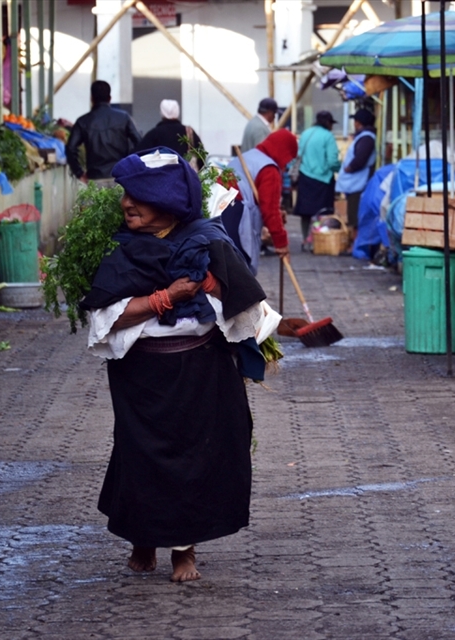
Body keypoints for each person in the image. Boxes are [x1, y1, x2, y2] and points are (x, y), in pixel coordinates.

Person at [79, 147, 275, 583]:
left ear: (169, 202)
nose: (127, 203)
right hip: (142, 376)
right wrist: (166, 298)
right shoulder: (121, 250)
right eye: (125, 195)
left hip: (202, 372)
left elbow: (248, 312)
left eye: (139, 197)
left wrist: (211, 285)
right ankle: (143, 538)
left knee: (196, 458)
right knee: (142, 455)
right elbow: (104, 318)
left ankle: (184, 551)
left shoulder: (208, 242)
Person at [223, 129, 298, 274]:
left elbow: (261, 200)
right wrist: (281, 242)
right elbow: (269, 208)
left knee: (228, 268)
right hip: (236, 216)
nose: (287, 164)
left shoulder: (248, 157)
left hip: (218, 211)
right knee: (240, 271)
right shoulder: (269, 169)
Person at [66, 81, 142, 187]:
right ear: (110, 98)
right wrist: (130, 166)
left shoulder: (83, 121)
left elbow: (70, 148)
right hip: (120, 177)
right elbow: (139, 142)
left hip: (95, 178)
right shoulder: (124, 118)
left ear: (92, 98)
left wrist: (79, 173)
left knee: (95, 204)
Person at [293, 110, 342, 251]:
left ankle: (304, 239)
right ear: (327, 122)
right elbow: (332, 160)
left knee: (305, 212)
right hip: (323, 179)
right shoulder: (328, 136)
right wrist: (340, 169)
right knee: (323, 212)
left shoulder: (306, 134)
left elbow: (298, 154)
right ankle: (318, 240)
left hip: (305, 177)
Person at [335, 108, 377, 244]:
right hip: (355, 182)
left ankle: (355, 244)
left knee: (355, 215)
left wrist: (350, 167)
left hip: (358, 183)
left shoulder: (366, 138)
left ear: (359, 123)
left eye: (356, 121)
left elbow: (361, 158)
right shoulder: (364, 137)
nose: (354, 124)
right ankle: (355, 243)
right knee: (354, 214)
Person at [134, 99, 204, 163]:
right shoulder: (189, 132)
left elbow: (137, 154)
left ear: (162, 113)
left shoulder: (154, 134)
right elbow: (202, 156)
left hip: (162, 176)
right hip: (185, 175)